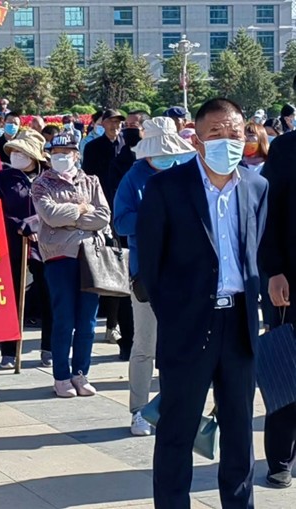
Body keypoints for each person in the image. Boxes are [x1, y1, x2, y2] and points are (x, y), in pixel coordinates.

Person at [138, 98, 267, 508]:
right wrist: (175, 315)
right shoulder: (166, 188)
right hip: (189, 325)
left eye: (235, 134)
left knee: (239, 431)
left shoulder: (255, 186)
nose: (227, 142)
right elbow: (150, 265)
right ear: (196, 140)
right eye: (216, 134)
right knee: (177, 430)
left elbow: (256, 254)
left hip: (240, 325)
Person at [113, 117, 196, 437]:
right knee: (145, 345)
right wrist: (154, 217)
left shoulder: (185, 173)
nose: (164, 157)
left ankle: (172, 406)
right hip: (147, 273)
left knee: (179, 344)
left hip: (184, 272)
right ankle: (139, 410)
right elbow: (121, 223)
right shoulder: (133, 178)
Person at [31, 132, 111, 397]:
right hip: (59, 256)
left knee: (87, 320)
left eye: (66, 153)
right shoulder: (42, 184)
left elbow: (103, 216)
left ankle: (80, 372)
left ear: (76, 155)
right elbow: (50, 216)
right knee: (64, 318)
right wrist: (82, 210)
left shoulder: (91, 181)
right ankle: (61, 376)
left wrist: (71, 218)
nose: (61, 158)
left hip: (90, 256)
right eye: (56, 154)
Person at [0, 129, 52, 369]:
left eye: (22, 151)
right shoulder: (2, 178)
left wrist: (34, 223)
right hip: (12, 242)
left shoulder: (49, 178)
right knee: (12, 295)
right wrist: (18, 225)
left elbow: (54, 208)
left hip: (45, 242)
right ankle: (9, 350)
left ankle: (49, 348)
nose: (16, 155)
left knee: (49, 294)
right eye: (14, 151)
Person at [258, 116, 296, 490]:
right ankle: (280, 460)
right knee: (286, 370)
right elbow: (266, 216)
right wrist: (273, 271)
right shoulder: (286, 149)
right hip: (290, 283)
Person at [83, 109, 132, 355]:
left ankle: (117, 324)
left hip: (122, 209)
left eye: (118, 122)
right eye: (111, 121)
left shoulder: (127, 146)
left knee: (123, 269)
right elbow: (89, 179)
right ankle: (111, 322)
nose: (115, 125)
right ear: (102, 124)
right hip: (103, 211)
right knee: (112, 268)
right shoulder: (93, 148)